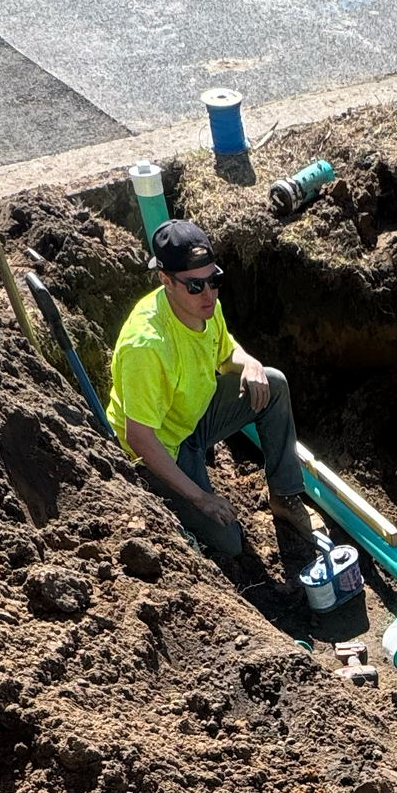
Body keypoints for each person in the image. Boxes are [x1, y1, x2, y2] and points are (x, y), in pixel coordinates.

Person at [107, 218, 321, 566]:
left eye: (214, 280)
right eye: (195, 286)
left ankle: (285, 496)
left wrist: (248, 362)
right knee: (229, 543)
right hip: (162, 448)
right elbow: (140, 438)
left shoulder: (205, 308)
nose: (208, 294)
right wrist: (200, 498)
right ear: (166, 281)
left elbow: (225, 350)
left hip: (195, 414)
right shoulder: (146, 346)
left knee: (273, 382)